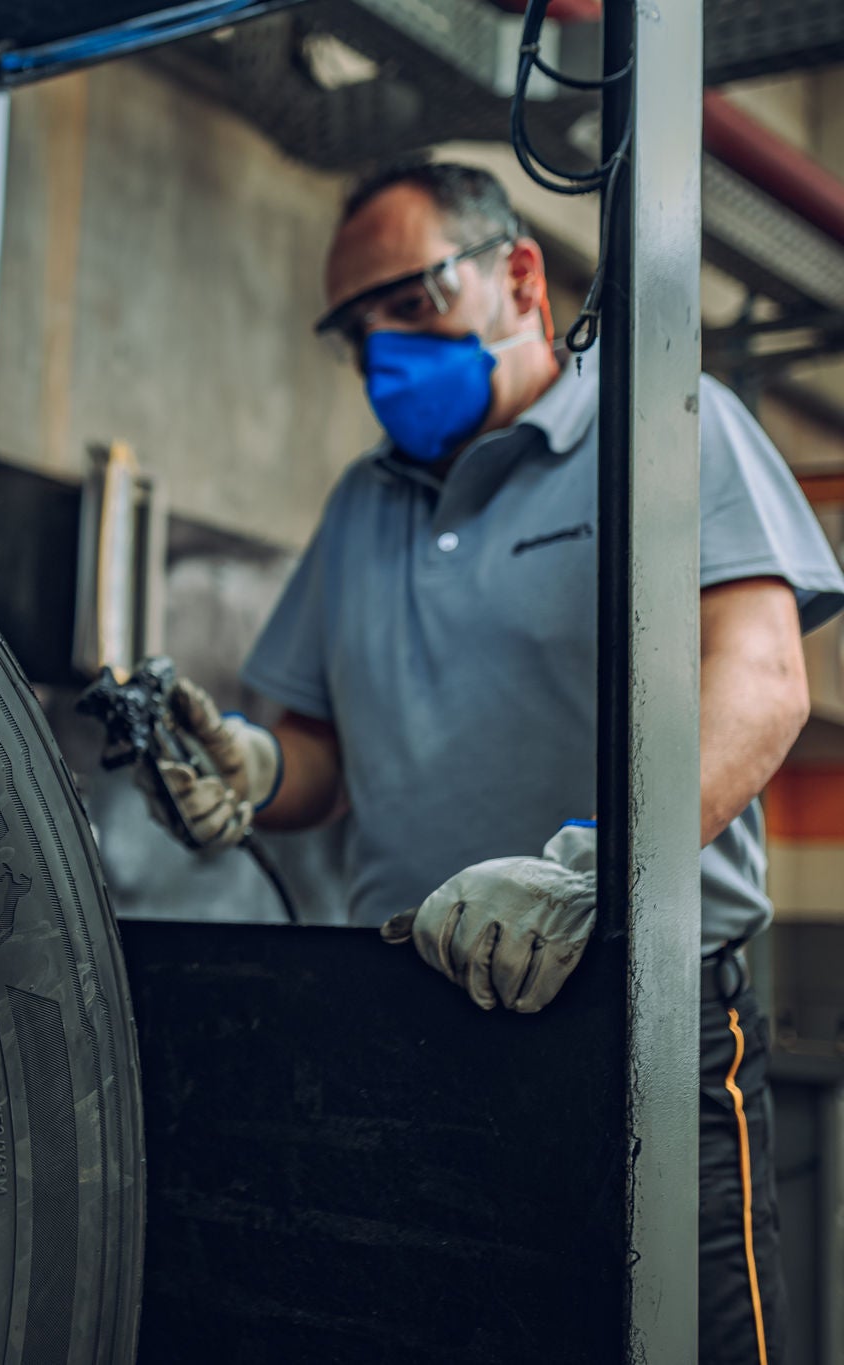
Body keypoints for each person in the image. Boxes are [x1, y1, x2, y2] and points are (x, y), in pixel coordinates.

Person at [143, 159, 844, 1364]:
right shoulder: (359, 508)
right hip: (401, 1016)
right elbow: (323, 763)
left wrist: (591, 873)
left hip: (635, 1018)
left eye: (412, 304)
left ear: (519, 276)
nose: (383, 355)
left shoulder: (662, 426)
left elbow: (764, 681)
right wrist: (254, 774)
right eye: (358, 330)